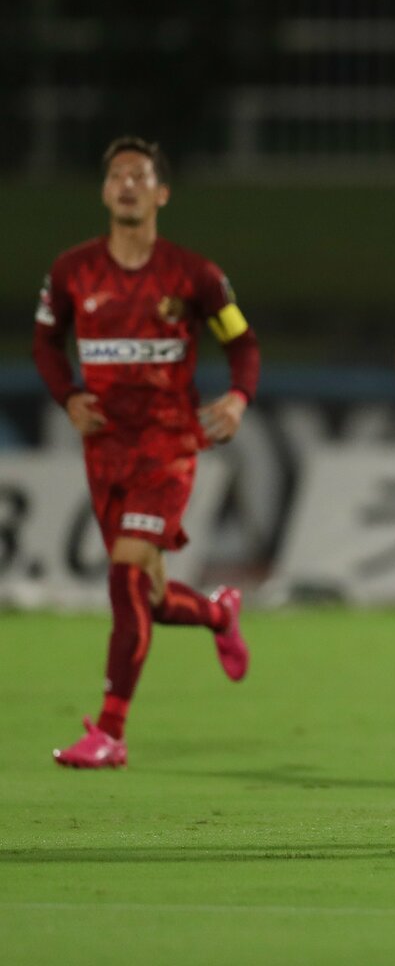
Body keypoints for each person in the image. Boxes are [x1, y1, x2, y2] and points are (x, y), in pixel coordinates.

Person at [33, 136, 260, 769]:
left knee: (126, 572)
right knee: (150, 599)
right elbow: (46, 344)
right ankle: (217, 612)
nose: (127, 184)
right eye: (117, 177)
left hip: (168, 445)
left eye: (140, 176)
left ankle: (109, 732)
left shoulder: (194, 275)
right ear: (105, 193)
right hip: (105, 449)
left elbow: (242, 344)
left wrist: (238, 398)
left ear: (161, 193)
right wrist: (68, 397)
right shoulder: (72, 271)